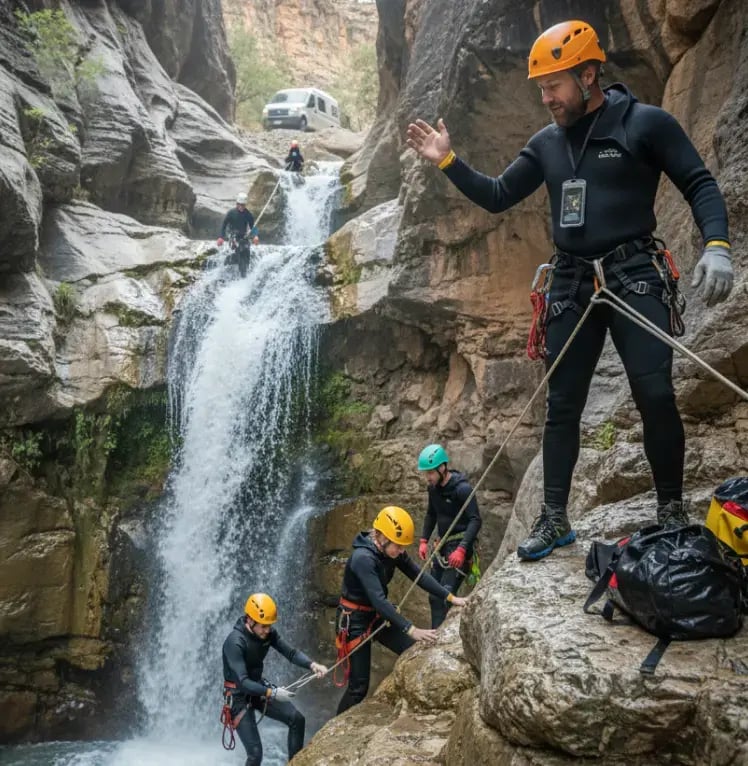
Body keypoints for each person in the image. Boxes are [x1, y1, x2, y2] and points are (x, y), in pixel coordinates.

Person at [406, 20, 734, 561]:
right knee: (561, 406)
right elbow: (496, 196)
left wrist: (716, 244)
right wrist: (447, 159)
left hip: (634, 275)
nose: (546, 98)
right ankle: (555, 518)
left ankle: (671, 510)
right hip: (572, 283)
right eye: (541, 87)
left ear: (588, 75)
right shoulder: (547, 144)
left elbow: (698, 182)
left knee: (654, 394)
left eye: (553, 85)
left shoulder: (645, 125)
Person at [335, 505, 467, 714]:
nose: (402, 551)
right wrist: (411, 628)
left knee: (412, 650)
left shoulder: (392, 551)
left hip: (375, 616)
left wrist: (450, 597)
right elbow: (379, 600)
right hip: (355, 623)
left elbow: (419, 575)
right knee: (358, 688)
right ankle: (335, 736)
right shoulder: (363, 559)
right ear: (383, 537)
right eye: (398, 546)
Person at [222, 592, 327, 766]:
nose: (267, 630)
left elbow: (290, 653)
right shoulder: (235, 642)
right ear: (250, 620)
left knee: (297, 719)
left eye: (269, 626)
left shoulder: (267, 634)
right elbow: (242, 682)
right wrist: (272, 692)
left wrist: (312, 665)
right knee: (255, 755)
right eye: (263, 626)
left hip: (258, 689)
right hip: (238, 697)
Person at [417, 444, 482, 628]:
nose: (427, 477)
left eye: (430, 472)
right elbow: (432, 514)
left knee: (444, 594)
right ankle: (436, 632)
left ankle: (438, 637)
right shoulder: (433, 489)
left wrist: (462, 549)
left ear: (442, 468)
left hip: (460, 546)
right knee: (433, 595)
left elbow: (475, 520)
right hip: (442, 546)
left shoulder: (462, 489)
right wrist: (423, 540)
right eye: (426, 473)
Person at [217, 192, 259, 278]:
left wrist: (255, 236)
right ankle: (230, 264)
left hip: (243, 237)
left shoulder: (248, 214)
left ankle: (244, 272)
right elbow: (224, 225)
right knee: (238, 249)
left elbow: (253, 226)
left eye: (243, 205)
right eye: (240, 205)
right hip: (233, 236)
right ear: (237, 204)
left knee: (246, 249)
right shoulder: (231, 213)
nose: (241, 207)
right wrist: (221, 237)